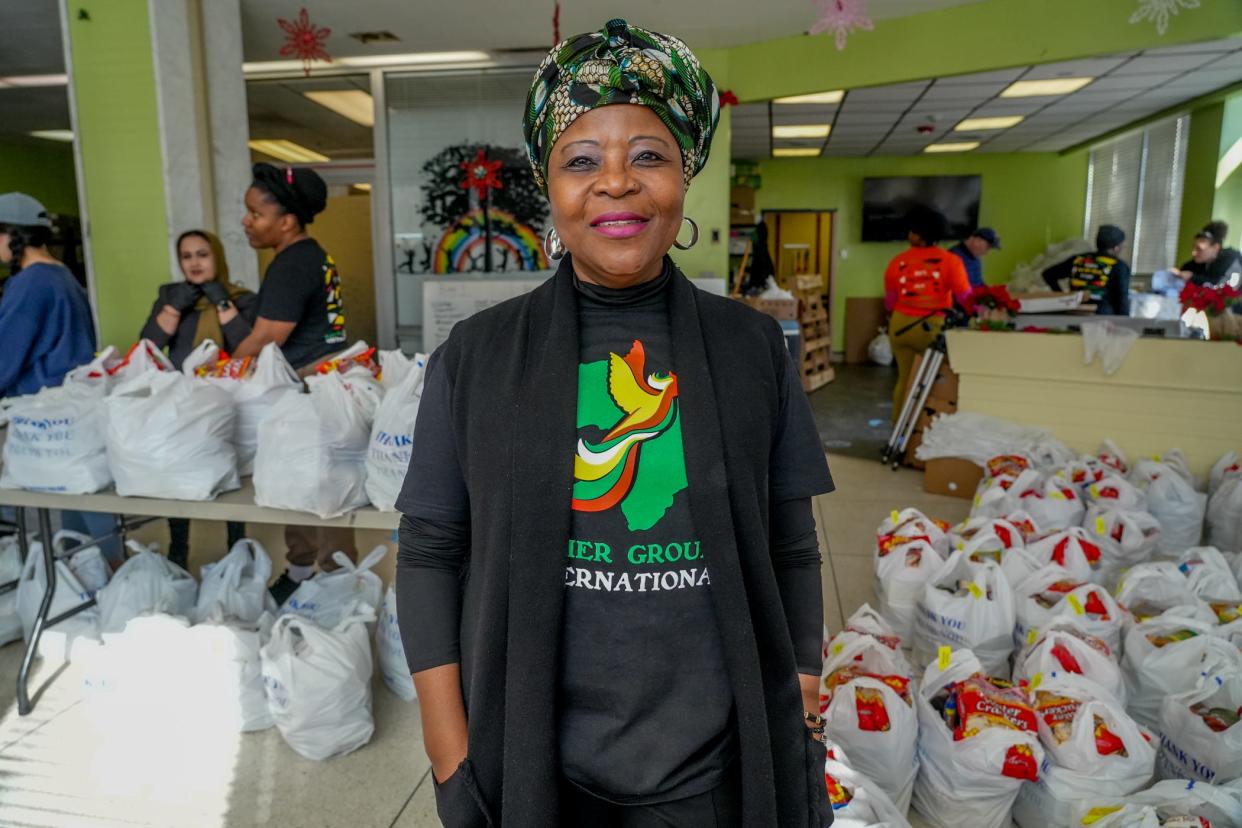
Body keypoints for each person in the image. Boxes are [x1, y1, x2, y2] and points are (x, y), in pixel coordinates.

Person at [395, 19, 833, 828]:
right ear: (549, 185)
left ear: (686, 172)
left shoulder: (750, 349)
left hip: (717, 767)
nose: (617, 184)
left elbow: (792, 547)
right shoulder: (478, 358)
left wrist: (800, 711)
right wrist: (449, 756)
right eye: (582, 160)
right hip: (532, 764)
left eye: (649, 156)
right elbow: (428, 554)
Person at [227, 164, 356, 602]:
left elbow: (267, 337)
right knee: (312, 491)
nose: (246, 221)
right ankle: (315, 575)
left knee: (313, 493)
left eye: (254, 213)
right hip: (325, 389)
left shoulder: (293, 263)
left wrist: (220, 372)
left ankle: (333, 587)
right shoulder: (312, 254)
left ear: (286, 221)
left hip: (308, 396)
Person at [138, 229, 254, 570]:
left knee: (227, 469)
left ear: (217, 256)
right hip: (182, 401)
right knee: (181, 469)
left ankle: (236, 544)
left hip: (226, 398)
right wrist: (174, 306)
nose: (194, 263)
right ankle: (179, 545)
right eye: (187, 256)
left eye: (202, 254)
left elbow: (246, 342)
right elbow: (149, 343)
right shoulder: (171, 296)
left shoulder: (241, 297)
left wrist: (221, 302)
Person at [0, 192, 95, 397]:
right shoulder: (61, 274)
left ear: (12, 234)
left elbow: (4, 360)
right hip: (67, 401)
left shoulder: (32, 283)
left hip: (39, 408)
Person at [883, 207, 972, 417]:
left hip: (900, 325)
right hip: (932, 326)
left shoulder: (897, 261)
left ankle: (898, 430)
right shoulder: (951, 261)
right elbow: (965, 297)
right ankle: (922, 432)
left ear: (916, 234)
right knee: (932, 382)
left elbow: (889, 302)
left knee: (904, 380)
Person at [1042, 224, 1131, 316]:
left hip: (1073, 313)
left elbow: (1048, 274)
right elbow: (1122, 300)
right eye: (1122, 246)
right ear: (1116, 248)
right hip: (1102, 317)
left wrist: (1063, 296)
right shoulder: (1119, 266)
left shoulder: (1078, 259)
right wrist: (1125, 323)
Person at [1176, 220, 1242, 288]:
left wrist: (1192, 277)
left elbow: (1223, 288)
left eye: (1199, 249)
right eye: (1193, 248)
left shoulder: (1231, 259)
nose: (1194, 253)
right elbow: (1187, 269)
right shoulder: (1201, 262)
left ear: (1216, 247)